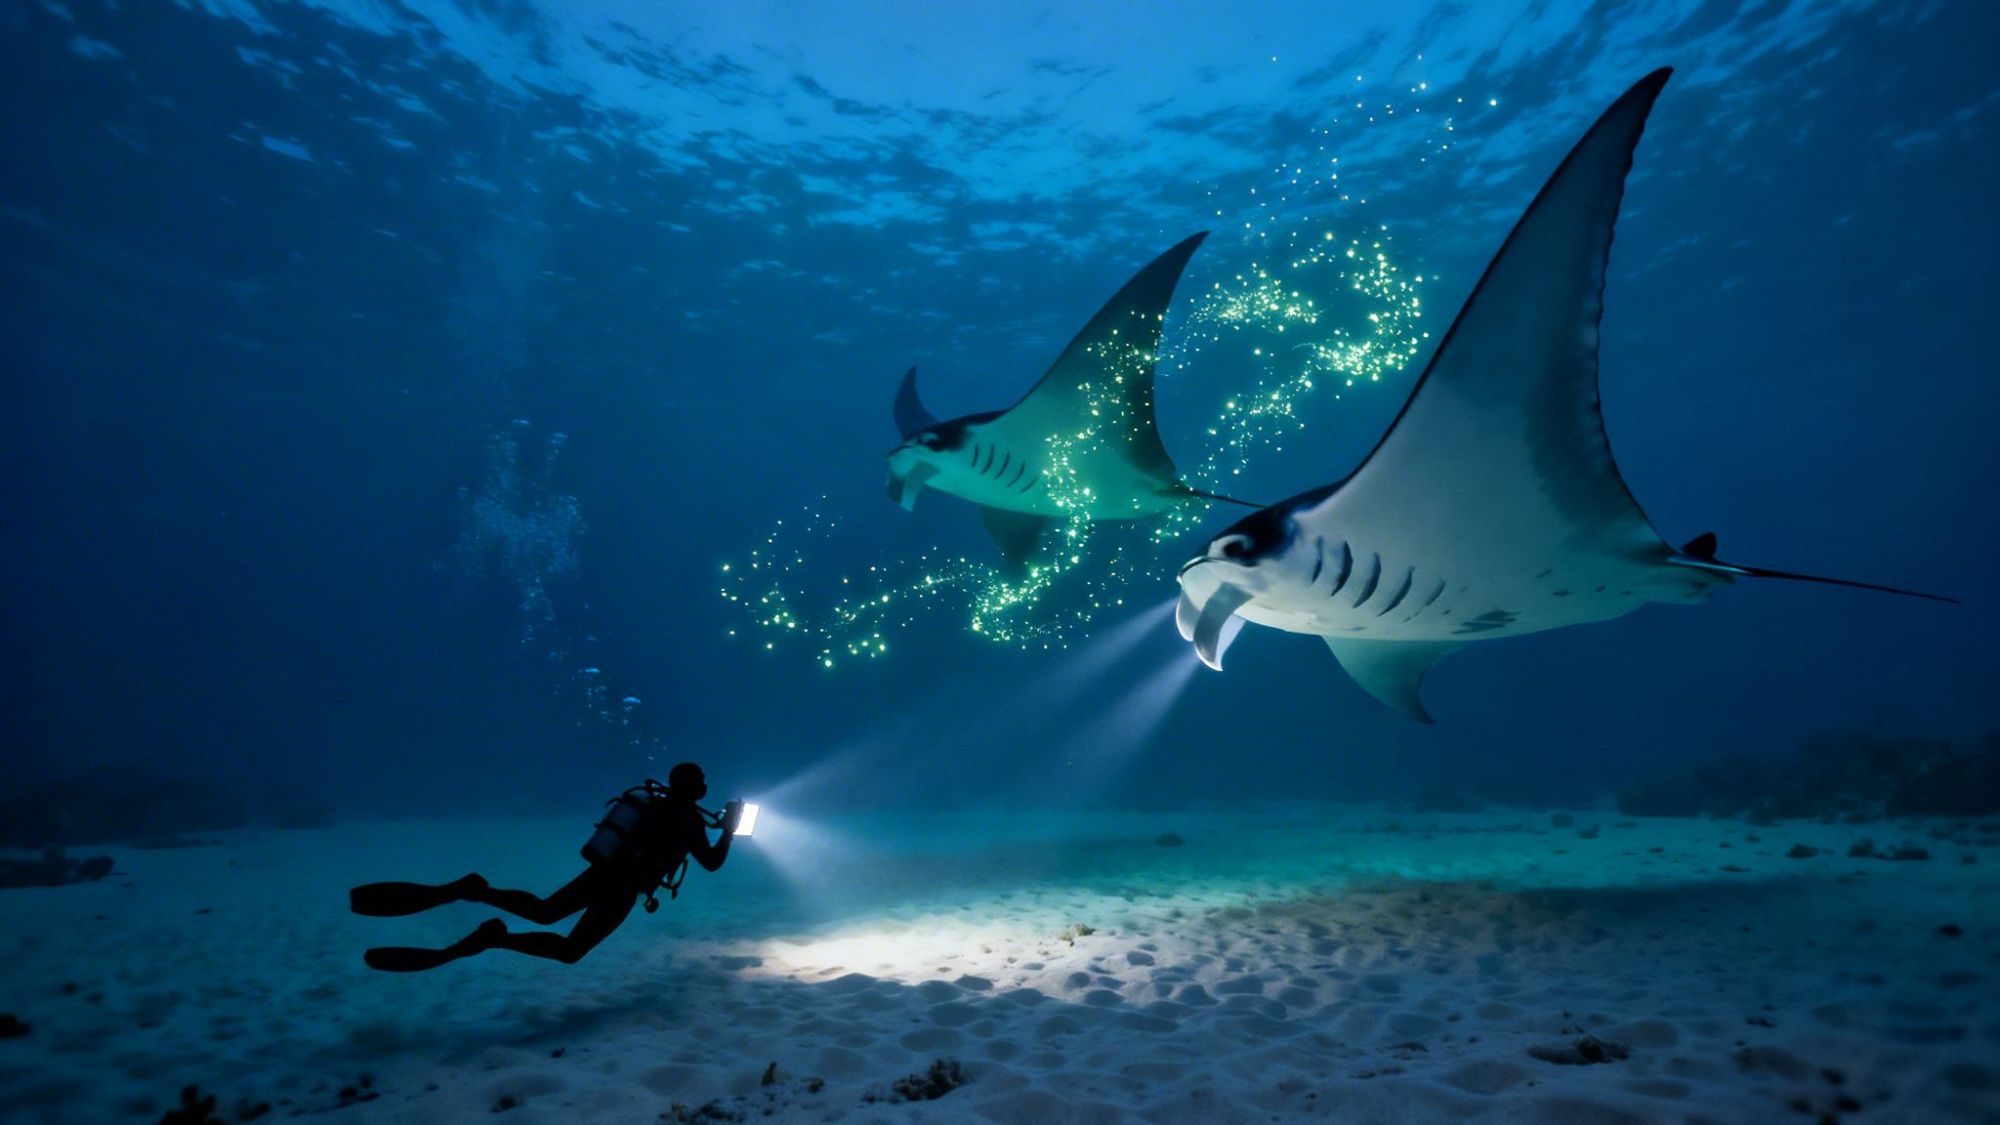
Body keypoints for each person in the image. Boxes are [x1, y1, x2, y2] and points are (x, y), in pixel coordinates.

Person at [351, 762, 740, 971]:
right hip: (623, 888)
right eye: (701, 780)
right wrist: (729, 831)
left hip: (604, 872)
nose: (706, 785)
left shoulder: (655, 804)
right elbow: (711, 863)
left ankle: (476, 891)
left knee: (544, 910)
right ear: (691, 787)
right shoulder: (687, 818)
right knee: (570, 950)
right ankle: (494, 937)